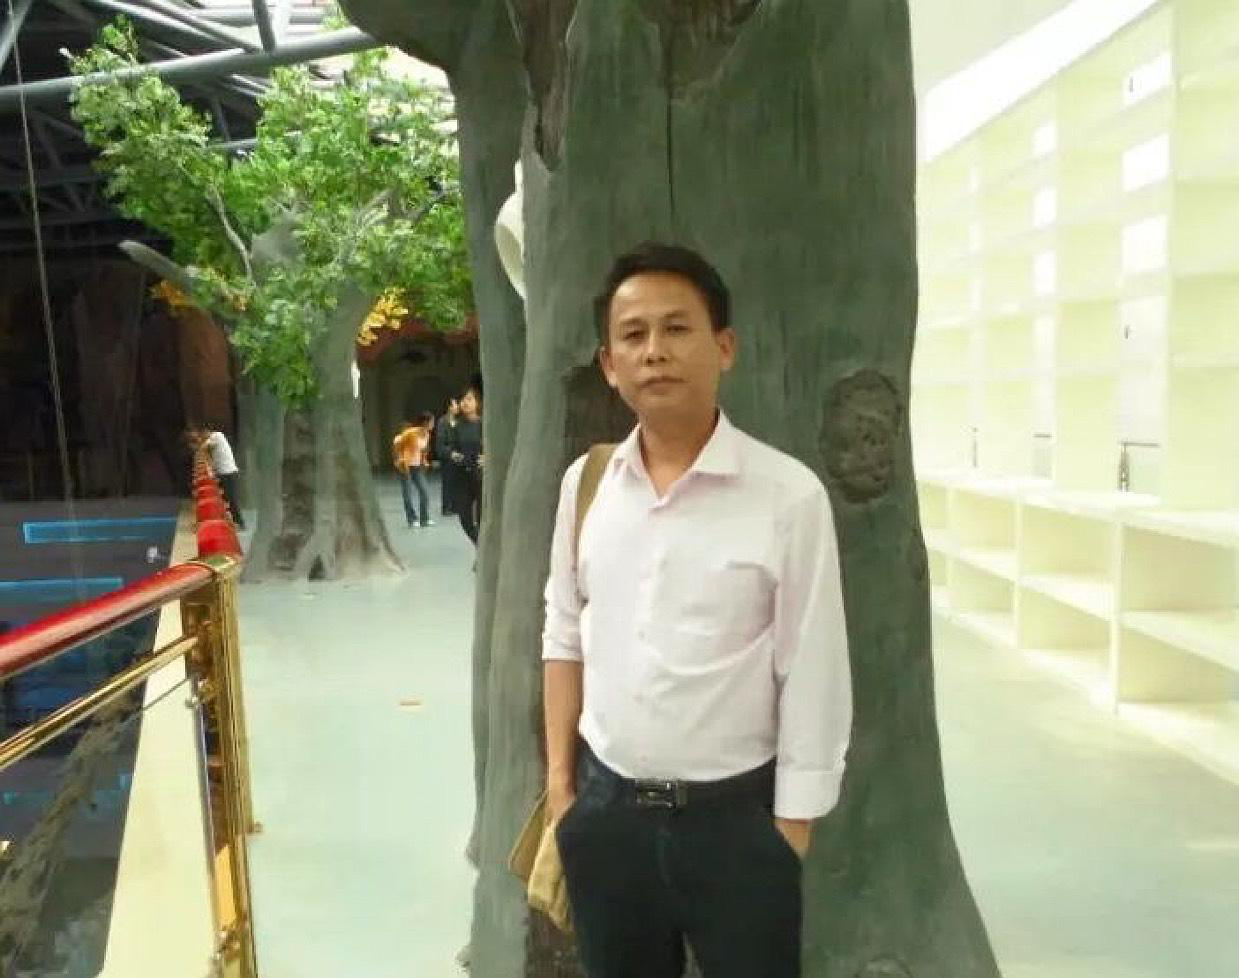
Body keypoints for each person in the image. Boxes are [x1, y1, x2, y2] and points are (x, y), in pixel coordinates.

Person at [541, 243, 853, 978]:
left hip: (737, 825)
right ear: (610, 364)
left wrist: (788, 833)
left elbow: (812, 667)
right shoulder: (587, 485)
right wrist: (561, 789)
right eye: (633, 334)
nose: (654, 351)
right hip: (606, 816)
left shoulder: (787, 496)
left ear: (724, 347)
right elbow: (563, 629)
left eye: (677, 328)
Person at [447, 386, 484, 546]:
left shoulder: (484, 424)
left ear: (477, 402)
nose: (465, 403)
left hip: (481, 475)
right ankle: (479, 545)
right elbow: (449, 446)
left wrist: (488, 457)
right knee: (464, 517)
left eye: (469, 399)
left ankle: (483, 549)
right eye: (462, 400)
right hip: (462, 475)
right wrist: (453, 454)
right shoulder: (457, 425)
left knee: (483, 517)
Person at [194, 424, 245, 529]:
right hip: (223, 473)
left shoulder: (217, 436)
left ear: (206, 432)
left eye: (202, 434)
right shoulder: (213, 440)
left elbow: (204, 448)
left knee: (230, 498)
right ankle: (227, 520)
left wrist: (199, 441)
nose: (202, 437)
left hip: (228, 472)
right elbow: (207, 454)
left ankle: (240, 522)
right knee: (224, 498)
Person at [392, 414, 436, 529]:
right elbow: (398, 445)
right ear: (425, 423)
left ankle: (424, 518)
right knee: (407, 493)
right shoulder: (410, 433)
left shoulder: (427, 434)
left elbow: (424, 450)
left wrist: (424, 460)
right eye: (432, 422)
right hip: (406, 466)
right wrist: (399, 459)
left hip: (417, 467)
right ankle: (412, 519)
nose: (433, 424)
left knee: (424, 492)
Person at [435, 397, 462, 517]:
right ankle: (446, 507)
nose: (458, 407)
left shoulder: (458, 421)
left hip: (459, 456)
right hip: (447, 457)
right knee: (447, 482)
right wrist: (450, 453)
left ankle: (455, 505)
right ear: (449, 407)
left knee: (457, 481)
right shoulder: (442, 422)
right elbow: (440, 442)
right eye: (455, 405)